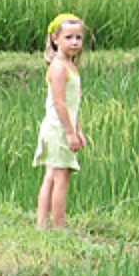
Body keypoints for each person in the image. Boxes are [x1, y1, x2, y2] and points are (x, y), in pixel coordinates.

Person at [33, 14, 87, 230]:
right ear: (55, 39)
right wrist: (70, 133)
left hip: (61, 127)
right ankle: (58, 227)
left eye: (78, 38)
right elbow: (59, 103)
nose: (74, 42)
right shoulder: (58, 68)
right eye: (68, 37)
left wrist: (79, 129)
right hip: (57, 130)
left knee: (51, 176)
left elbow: (73, 105)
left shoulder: (70, 66)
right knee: (60, 178)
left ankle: (42, 225)